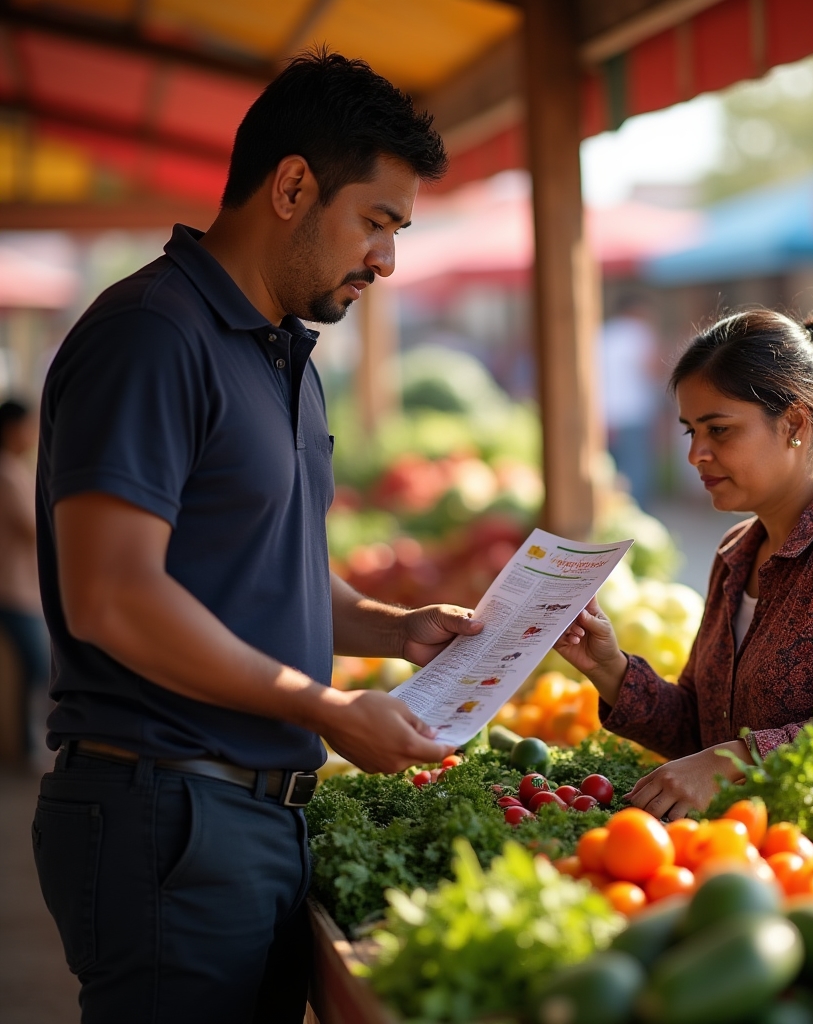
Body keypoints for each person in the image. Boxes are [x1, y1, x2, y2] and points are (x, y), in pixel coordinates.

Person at [33, 50, 481, 1024]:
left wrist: (392, 628)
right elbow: (112, 594)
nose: (387, 260)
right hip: (167, 815)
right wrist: (325, 706)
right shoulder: (152, 334)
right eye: (376, 221)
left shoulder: (283, 351)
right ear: (291, 187)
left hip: (247, 817)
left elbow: (261, 567)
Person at [556, 309, 813, 823]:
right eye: (690, 432)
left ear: (794, 423)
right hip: (765, 853)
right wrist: (608, 668)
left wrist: (734, 760)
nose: (696, 455)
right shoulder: (738, 553)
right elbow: (704, 731)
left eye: (720, 430)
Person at [0, 398, 50, 759]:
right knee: (39, 666)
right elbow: (35, 530)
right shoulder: (6, 474)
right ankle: (25, 745)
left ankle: (25, 744)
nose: (32, 433)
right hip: (12, 591)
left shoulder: (15, 470)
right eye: (27, 425)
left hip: (23, 590)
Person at [600, 294, 660, 509]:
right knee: (636, 472)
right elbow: (653, 370)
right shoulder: (639, 333)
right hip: (633, 414)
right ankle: (635, 516)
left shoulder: (603, 333)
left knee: (610, 473)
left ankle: (614, 514)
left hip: (604, 414)